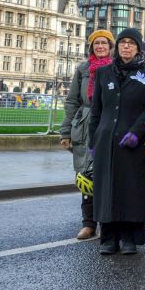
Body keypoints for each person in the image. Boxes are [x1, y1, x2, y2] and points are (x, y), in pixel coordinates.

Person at [87, 28, 145, 255]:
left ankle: (129, 237)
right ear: (116, 47)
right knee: (106, 189)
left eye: (131, 43)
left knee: (131, 189)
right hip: (106, 139)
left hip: (134, 142)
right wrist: (92, 140)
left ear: (138, 47)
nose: (126, 46)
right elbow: (96, 110)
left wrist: (138, 132)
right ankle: (109, 236)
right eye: (122, 43)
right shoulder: (104, 73)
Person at [60, 29, 114, 240]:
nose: (100, 47)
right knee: (85, 175)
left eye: (104, 43)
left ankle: (107, 222)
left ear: (111, 47)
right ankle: (88, 223)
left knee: (108, 175)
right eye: (96, 44)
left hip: (107, 124)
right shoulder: (83, 69)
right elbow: (72, 101)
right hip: (84, 126)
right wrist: (65, 131)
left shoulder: (116, 68)